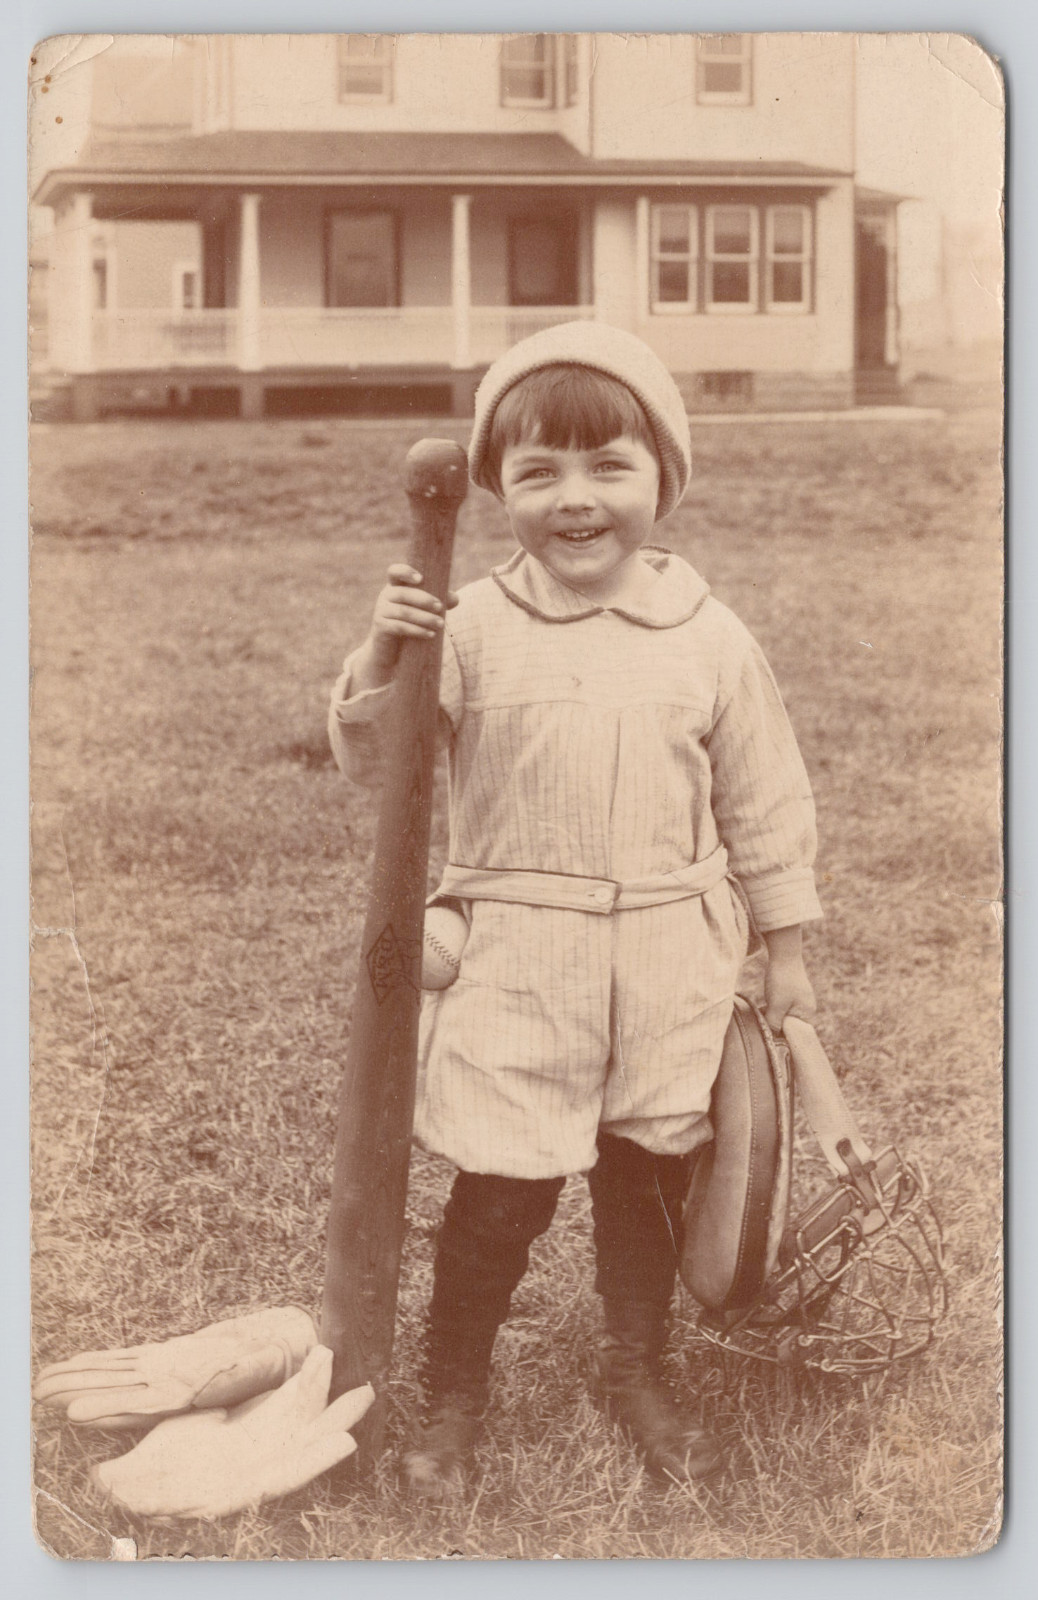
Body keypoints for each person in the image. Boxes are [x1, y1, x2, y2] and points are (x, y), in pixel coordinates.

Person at [328, 321, 820, 1495]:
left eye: (610, 467)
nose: (576, 499)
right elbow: (376, 760)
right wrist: (387, 648)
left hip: (669, 948)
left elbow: (765, 795)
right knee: (500, 1188)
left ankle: (634, 1362)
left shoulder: (707, 633)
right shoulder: (474, 624)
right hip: (520, 953)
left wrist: (786, 945)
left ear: (666, 476)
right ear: (496, 488)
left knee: (646, 1173)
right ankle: (453, 1393)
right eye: (537, 473)